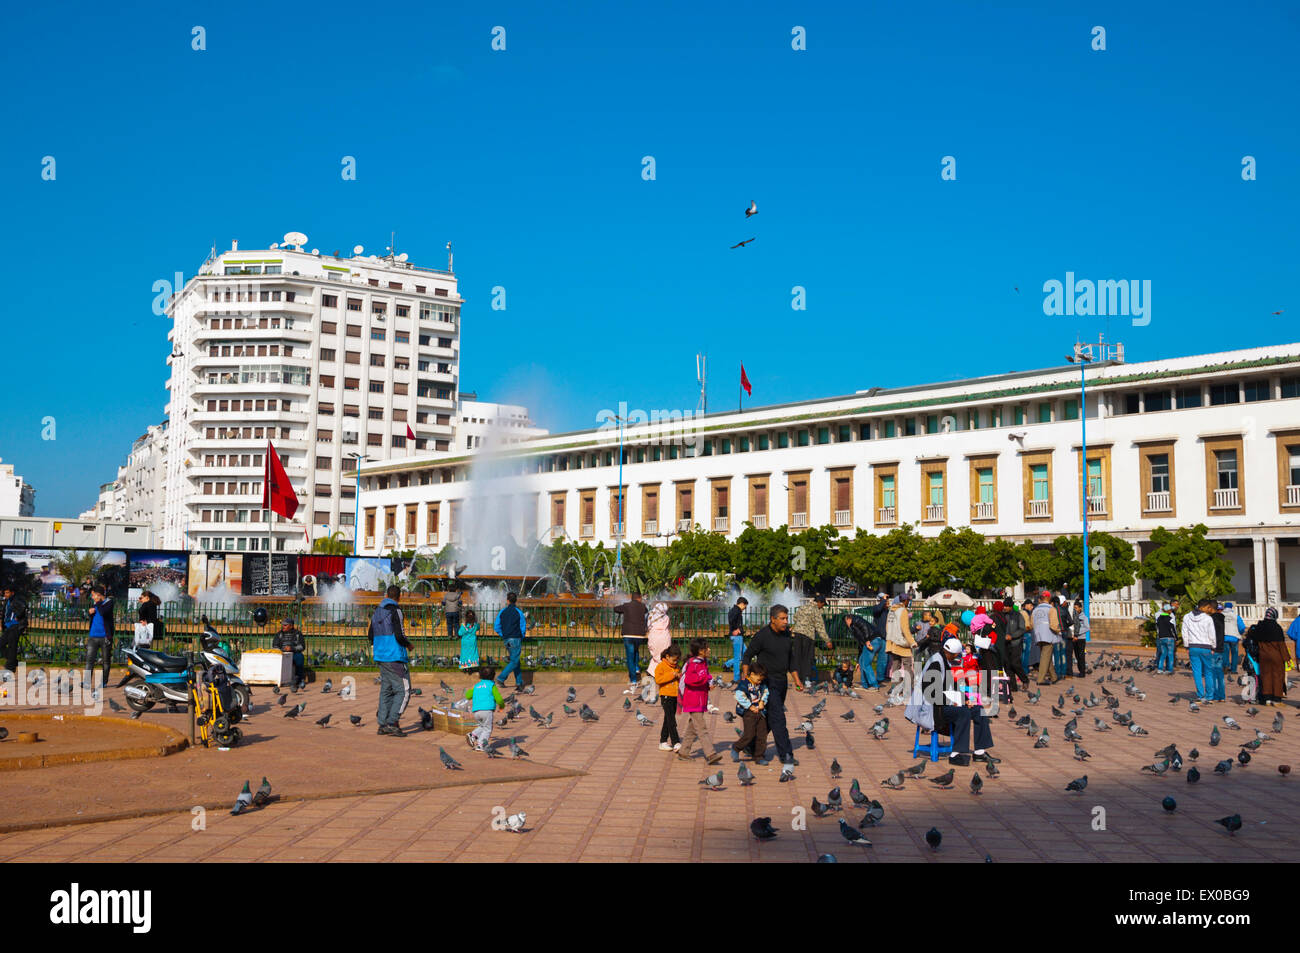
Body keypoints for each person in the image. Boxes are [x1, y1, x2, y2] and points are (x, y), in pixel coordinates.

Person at [919, 636, 997, 767]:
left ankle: (979, 752)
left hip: (944, 703)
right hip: (932, 709)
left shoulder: (944, 661)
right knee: (963, 713)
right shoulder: (936, 663)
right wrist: (952, 701)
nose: (956, 658)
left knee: (978, 710)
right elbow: (930, 692)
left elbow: (952, 685)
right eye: (956, 655)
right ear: (951, 653)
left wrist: (965, 699)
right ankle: (956, 754)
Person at [741, 605, 796, 765]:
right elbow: (747, 656)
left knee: (769, 720)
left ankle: (750, 746)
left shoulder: (786, 635)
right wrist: (746, 676)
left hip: (782, 682)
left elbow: (790, 659)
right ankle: (786, 754)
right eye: (783, 618)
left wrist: (797, 679)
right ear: (773, 619)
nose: (786, 621)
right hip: (767, 683)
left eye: (787, 618)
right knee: (778, 718)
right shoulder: (762, 636)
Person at [368, 585, 412, 736]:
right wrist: (409, 645)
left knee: (386, 690)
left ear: (387, 595)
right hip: (394, 655)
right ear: (399, 596)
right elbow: (400, 635)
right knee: (404, 690)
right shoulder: (396, 610)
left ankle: (382, 724)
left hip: (380, 656)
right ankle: (392, 722)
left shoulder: (377, 611)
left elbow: (370, 635)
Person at [676, 639, 722, 764]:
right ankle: (711, 754)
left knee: (693, 728)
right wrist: (704, 679)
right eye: (707, 648)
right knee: (702, 728)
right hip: (693, 700)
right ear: (701, 651)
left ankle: (683, 752)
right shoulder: (693, 663)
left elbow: (705, 677)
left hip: (700, 699)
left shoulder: (703, 662)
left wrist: (708, 684)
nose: (709, 650)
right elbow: (689, 680)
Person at [1244, 608, 1291, 705]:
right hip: (1276, 657)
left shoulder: (1259, 627)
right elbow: (1281, 645)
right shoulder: (1276, 627)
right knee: (1277, 677)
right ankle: (1276, 699)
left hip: (1263, 657)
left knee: (1266, 677)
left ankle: (1267, 699)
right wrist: (1287, 658)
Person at [790, 594, 833, 691]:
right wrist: (827, 640)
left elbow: (795, 617)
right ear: (819, 602)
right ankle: (806, 679)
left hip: (797, 634)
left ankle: (798, 679)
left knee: (797, 657)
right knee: (808, 658)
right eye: (822, 605)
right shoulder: (815, 611)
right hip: (808, 636)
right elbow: (820, 626)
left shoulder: (803, 607)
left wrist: (800, 625)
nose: (822, 607)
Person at [732, 662, 770, 763]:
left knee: (762, 734)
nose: (759, 682)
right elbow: (739, 696)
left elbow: (766, 691)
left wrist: (762, 701)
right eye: (758, 679)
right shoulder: (744, 683)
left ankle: (759, 756)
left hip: (760, 712)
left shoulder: (761, 684)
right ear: (752, 674)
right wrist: (750, 706)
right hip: (748, 713)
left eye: (761, 680)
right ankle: (736, 747)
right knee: (749, 734)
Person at [1181, 598, 1217, 703]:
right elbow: (1212, 634)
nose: (1209, 609)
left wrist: (1186, 646)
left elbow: (1184, 633)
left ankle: (1201, 695)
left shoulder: (1187, 617)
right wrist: (1213, 647)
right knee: (1208, 672)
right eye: (1208, 607)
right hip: (1206, 647)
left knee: (1197, 672)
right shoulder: (1208, 618)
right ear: (1204, 607)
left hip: (1193, 647)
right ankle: (1209, 696)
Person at [884, 595, 917, 705]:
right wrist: (912, 642)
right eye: (908, 600)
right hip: (901, 643)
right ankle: (907, 694)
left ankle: (895, 693)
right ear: (905, 601)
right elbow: (905, 629)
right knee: (908, 668)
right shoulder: (903, 610)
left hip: (892, 642)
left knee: (895, 668)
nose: (909, 602)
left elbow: (887, 627)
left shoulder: (891, 611)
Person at [612, 592, 648, 694]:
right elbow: (646, 611)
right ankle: (636, 668)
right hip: (639, 634)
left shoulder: (626, 606)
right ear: (639, 598)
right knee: (635, 650)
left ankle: (633, 680)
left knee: (630, 656)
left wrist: (623, 610)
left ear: (632, 598)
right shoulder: (643, 606)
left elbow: (615, 609)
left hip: (628, 634)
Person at [83, 585, 115, 698]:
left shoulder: (109, 602)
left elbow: (103, 612)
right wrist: (90, 612)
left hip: (105, 636)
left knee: (105, 661)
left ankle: (104, 681)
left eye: (93, 595)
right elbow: (94, 615)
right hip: (93, 635)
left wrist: (97, 603)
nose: (92, 597)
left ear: (99, 594)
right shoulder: (96, 603)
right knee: (89, 660)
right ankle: (86, 682)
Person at [464, 665, 504, 751]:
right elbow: (499, 699)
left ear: (480, 675)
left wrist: (474, 690)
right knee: (488, 729)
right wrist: (501, 706)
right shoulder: (492, 686)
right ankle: (481, 745)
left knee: (483, 726)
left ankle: (472, 735)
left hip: (476, 712)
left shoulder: (477, 686)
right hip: (487, 711)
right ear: (493, 676)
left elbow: (467, 695)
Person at [493, 592, 528, 690]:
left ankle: (519, 682)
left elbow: (496, 626)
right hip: (515, 638)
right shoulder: (519, 612)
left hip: (506, 639)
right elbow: (523, 627)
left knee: (515, 660)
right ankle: (501, 678)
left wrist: (503, 634)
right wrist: (521, 636)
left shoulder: (502, 612)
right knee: (514, 661)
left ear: (507, 600)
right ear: (516, 600)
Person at [654, 642, 683, 751]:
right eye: (674, 660)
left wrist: (679, 676)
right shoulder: (661, 666)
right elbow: (658, 680)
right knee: (671, 720)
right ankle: (676, 742)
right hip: (666, 697)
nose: (675, 662)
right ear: (667, 656)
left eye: (677, 660)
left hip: (675, 696)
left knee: (668, 719)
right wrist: (672, 675)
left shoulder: (676, 667)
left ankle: (663, 741)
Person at [997, 600, 1029, 695]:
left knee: (1015, 663)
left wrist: (1012, 636)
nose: (1005, 608)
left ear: (1011, 606)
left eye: (1007, 606)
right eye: (1004, 606)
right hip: (1005, 643)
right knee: (1007, 665)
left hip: (1016, 643)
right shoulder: (1002, 615)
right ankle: (1012, 686)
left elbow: (1022, 629)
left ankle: (1025, 680)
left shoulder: (1018, 615)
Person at [1031, 591, 1061, 685]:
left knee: (1046, 656)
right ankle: (1040, 679)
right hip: (1048, 635)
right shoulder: (1051, 609)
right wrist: (1058, 631)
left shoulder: (1035, 610)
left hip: (1038, 635)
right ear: (1048, 598)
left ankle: (1054, 677)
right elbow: (1053, 625)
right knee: (1045, 657)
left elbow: (1031, 624)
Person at [272, 617, 307, 691]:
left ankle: (299, 679)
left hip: (294, 654)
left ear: (291, 626)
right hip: (282, 654)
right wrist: (281, 650)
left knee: (300, 657)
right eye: (283, 625)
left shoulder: (298, 634)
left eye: (285, 625)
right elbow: (274, 646)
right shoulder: (279, 634)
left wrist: (292, 648)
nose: (283, 626)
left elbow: (302, 646)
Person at [846, 610, 877, 689]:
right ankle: (865, 684)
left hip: (871, 641)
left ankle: (874, 685)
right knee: (862, 662)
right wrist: (858, 661)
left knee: (865, 664)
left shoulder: (856, 621)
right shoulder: (854, 627)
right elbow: (860, 643)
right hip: (867, 642)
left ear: (848, 619)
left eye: (846, 622)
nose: (846, 624)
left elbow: (864, 627)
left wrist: (867, 640)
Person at [1, 585, 27, 674]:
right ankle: (13, 660)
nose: (5, 594)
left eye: (7, 592)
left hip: (17, 626)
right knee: (1, 644)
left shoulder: (17, 599)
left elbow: (24, 606)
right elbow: (5, 614)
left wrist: (18, 616)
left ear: (12, 593)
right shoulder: (7, 601)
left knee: (12, 647)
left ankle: (10, 668)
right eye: (5, 592)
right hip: (8, 626)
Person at [726, 597, 748, 687]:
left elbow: (731, 620)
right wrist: (736, 629)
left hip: (737, 636)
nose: (745, 608)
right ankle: (736, 678)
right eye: (745, 606)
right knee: (737, 658)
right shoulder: (737, 610)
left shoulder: (734, 610)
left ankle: (727, 664)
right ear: (742, 603)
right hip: (737, 637)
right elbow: (732, 621)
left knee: (746, 654)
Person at [646, 601, 672, 679]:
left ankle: (653, 671)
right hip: (664, 637)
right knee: (663, 654)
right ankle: (661, 671)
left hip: (654, 636)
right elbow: (668, 625)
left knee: (655, 654)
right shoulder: (666, 617)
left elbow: (648, 626)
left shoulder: (651, 616)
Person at [869, 593, 890, 684]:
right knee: (870, 658)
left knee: (884, 660)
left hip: (885, 638)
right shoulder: (876, 609)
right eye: (885, 600)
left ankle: (880, 678)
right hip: (877, 638)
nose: (887, 602)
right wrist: (883, 600)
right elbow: (878, 609)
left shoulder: (887, 611)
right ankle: (869, 678)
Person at [1209, 601, 1228, 702]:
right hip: (1220, 647)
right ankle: (1222, 695)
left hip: (1213, 648)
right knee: (1219, 672)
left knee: (1213, 673)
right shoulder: (1221, 618)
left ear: (1211, 608)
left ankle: (1215, 695)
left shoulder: (1211, 619)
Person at [1069, 599, 1090, 678]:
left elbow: (1087, 628)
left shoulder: (1084, 617)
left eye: (1077, 608)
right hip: (1074, 638)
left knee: (1081, 655)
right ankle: (1079, 670)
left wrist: (1077, 633)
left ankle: (1082, 671)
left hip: (1081, 638)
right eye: (1074, 608)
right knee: (1077, 655)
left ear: (1080, 608)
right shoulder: (1073, 617)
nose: (1075, 609)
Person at [1154, 603, 1176, 673]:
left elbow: (1158, 628)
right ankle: (1169, 669)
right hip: (1169, 638)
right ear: (1168, 610)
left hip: (1161, 638)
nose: (1171, 611)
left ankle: (1160, 669)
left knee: (1163, 654)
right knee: (1170, 654)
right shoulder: (1170, 619)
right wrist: (1176, 638)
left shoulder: (1158, 619)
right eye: (1170, 610)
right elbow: (1173, 629)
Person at [1052, 596, 1071, 678]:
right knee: (1063, 654)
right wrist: (1065, 626)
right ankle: (1063, 672)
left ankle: (1058, 673)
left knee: (1057, 654)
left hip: (1056, 633)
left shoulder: (1052, 611)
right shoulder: (1065, 609)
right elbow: (1071, 621)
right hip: (1064, 632)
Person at [1222, 601, 1243, 674]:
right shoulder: (1236, 616)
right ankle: (1233, 670)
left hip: (1224, 637)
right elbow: (1242, 627)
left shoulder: (1221, 615)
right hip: (1234, 637)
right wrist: (1240, 633)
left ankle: (1226, 667)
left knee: (1225, 653)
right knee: (1234, 654)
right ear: (1231, 607)